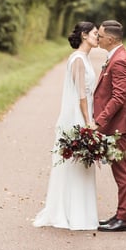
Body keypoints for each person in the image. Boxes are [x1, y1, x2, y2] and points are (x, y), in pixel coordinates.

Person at [33, 21, 99, 230]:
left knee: (81, 164)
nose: (98, 37)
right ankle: (71, 213)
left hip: (84, 114)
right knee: (77, 163)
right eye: (96, 33)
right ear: (84, 35)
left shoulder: (85, 58)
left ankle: (80, 212)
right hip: (78, 117)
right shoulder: (78, 60)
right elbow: (81, 95)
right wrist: (88, 121)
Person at [94, 20, 126, 232]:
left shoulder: (120, 60)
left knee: (122, 171)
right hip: (115, 124)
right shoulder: (115, 56)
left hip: (118, 125)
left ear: (111, 39)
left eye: (101, 36)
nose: (98, 39)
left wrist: (99, 121)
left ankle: (124, 219)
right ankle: (120, 215)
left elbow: (119, 97)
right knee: (119, 169)